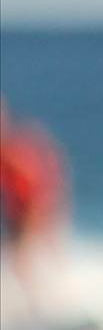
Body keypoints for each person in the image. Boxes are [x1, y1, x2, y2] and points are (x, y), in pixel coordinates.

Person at [0, 98, 71, 307]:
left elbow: (37, 185)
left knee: (27, 260)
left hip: (34, 207)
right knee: (26, 260)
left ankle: (45, 305)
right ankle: (42, 303)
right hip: (22, 210)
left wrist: (38, 216)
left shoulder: (16, 153)